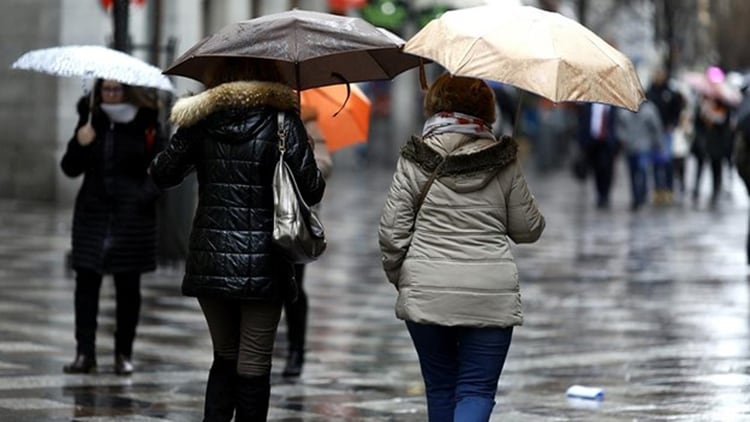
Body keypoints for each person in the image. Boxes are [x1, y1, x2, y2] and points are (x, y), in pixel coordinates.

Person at [149, 60, 325, 421]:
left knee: (224, 355)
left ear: (218, 77)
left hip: (210, 258)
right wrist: (301, 148)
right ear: (271, 77)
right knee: (254, 360)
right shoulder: (283, 121)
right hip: (266, 261)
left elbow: (162, 173)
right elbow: (313, 188)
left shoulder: (200, 119)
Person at [378, 73, 545, 421]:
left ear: (435, 106)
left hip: (426, 289)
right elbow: (528, 230)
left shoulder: (414, 157)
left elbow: (392, 233)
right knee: (476, 390)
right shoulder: (504, 160)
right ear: (487, 110)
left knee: (440, 387)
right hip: (490, 294)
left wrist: (404, 278)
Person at [60, 79, 163, 376]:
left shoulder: (147, 122)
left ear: (127, 91)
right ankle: (85, 353)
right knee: (86, 283)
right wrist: (80, 143)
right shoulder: (91, 118)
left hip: (132, 219)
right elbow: (70, 168)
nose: (112, 95)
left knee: (128, 289)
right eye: (107, 90)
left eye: (118, 90)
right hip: (93, 214)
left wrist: (141, 197)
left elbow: (162, 168)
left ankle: (123, 354)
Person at [282, 104, 333, 378]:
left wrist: (304, 153)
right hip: (262, 216)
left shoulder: (307, 119)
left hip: (295, 219)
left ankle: (295, 350)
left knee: (293, 287)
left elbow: (325, 166)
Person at [615, 101, 664, 211]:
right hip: (630, 148)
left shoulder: (649, 110)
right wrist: (623, 139)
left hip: (644, 147)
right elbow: (619, 127)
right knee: (632, 173)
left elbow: (656, 128)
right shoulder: (624, 111)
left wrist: (658, 145)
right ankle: (635, 197)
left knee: (642, 171)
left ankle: (642, 195)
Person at [577, 102, 619, 209]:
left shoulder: (613, 107)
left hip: (608, 143)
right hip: (593, 142)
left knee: (607, 169)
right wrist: (582, 143)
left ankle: (605, 194)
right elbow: (583, 123)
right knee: (597, 169)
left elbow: (616, 124)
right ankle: (600, 194)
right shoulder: (589, 106)